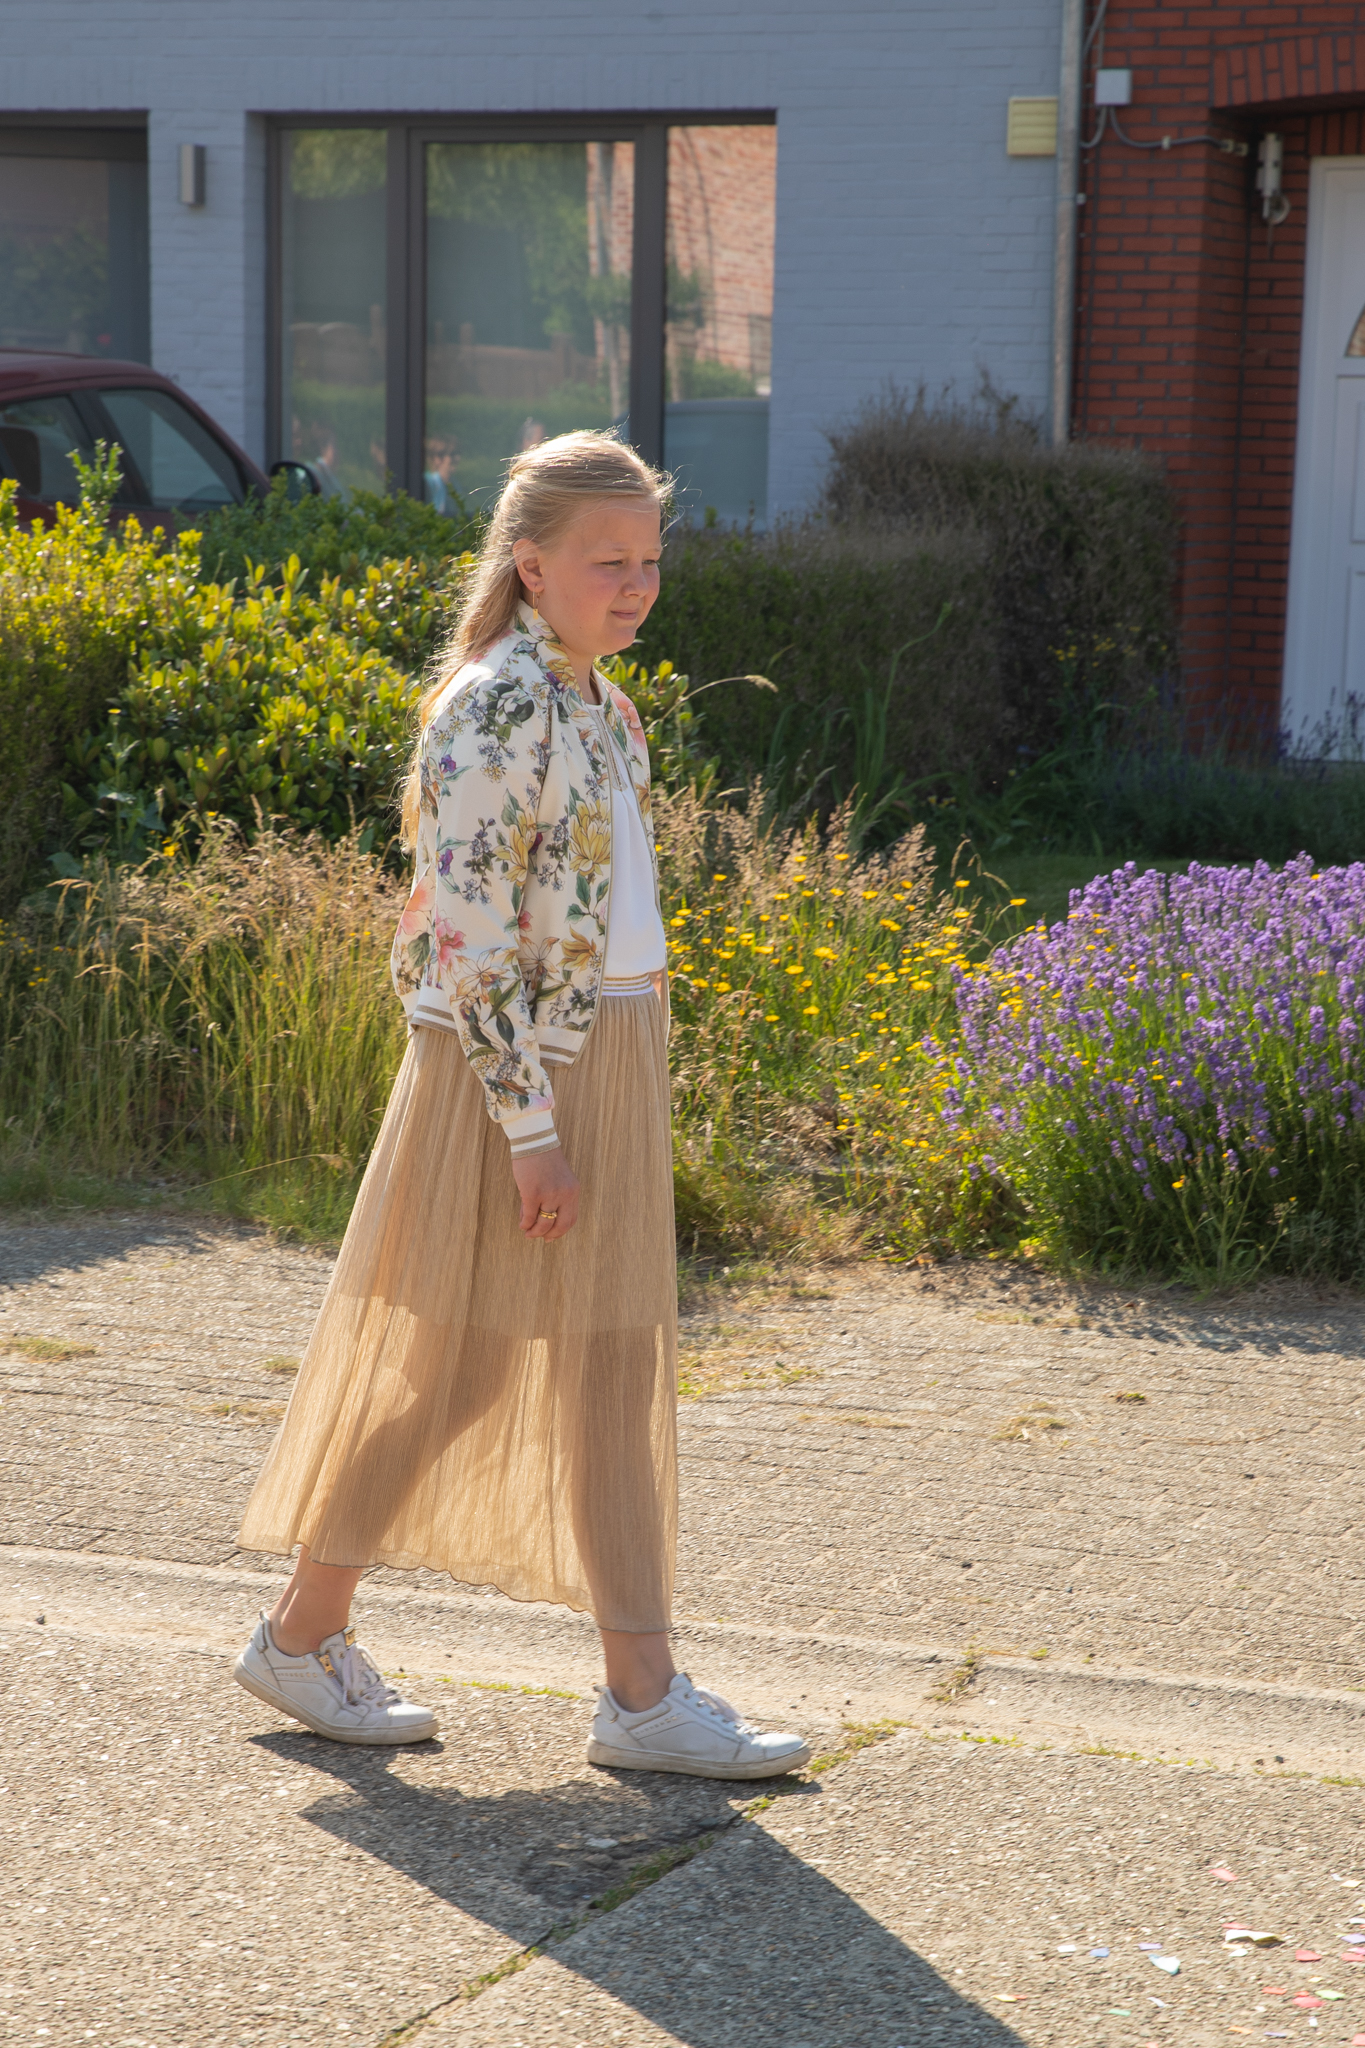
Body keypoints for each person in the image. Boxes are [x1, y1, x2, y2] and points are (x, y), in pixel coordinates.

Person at [232, 429, 809, 1781]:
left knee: (607, 1363)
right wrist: (532, 1127)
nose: (636, 584)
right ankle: (311, 1637)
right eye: (608, 561)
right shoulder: (495, 706)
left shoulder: (599, 701)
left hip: (604, 1052)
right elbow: (470, 937)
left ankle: (632, 1691)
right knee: (468, 1362)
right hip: (519, 1076)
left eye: (649, 559)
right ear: (530, 564)